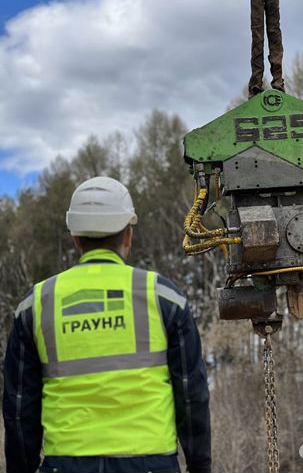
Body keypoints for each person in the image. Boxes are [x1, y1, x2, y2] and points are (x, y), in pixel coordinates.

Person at [2, 176, 211, 473]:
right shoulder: (164, 297)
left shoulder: (36, 304)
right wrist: (200, 466)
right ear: (129, 235)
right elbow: (192, 395)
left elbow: (19, 406)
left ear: (76, 238)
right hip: (152, 464)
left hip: (66, 466)